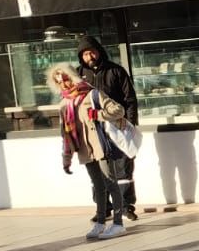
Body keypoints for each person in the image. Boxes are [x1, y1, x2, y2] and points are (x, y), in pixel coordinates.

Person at [50, 65, 128, 239]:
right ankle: (100, 223)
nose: (64, 84)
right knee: (97, 186)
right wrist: (66, 158)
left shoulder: (92, 94)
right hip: (84, 150)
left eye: (66, 78)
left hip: (101, 146)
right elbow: (66, 135)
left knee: (110, 183)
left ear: (73, 76)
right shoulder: (64, 105)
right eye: (59, 82)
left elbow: (119, 110)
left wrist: (98, 114)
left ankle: (118, 223)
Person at [77, 33, 140, 221]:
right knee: (98, 169)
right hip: (93, 130)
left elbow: (130, 99)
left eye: (92, 52)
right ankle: (103, 208)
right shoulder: (79, 76)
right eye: (85, 54)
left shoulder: (116, 71)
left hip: (117, 126)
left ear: (99, 51)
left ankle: (127, 205)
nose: (90, 57)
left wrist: (129, 125)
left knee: (122, 167)